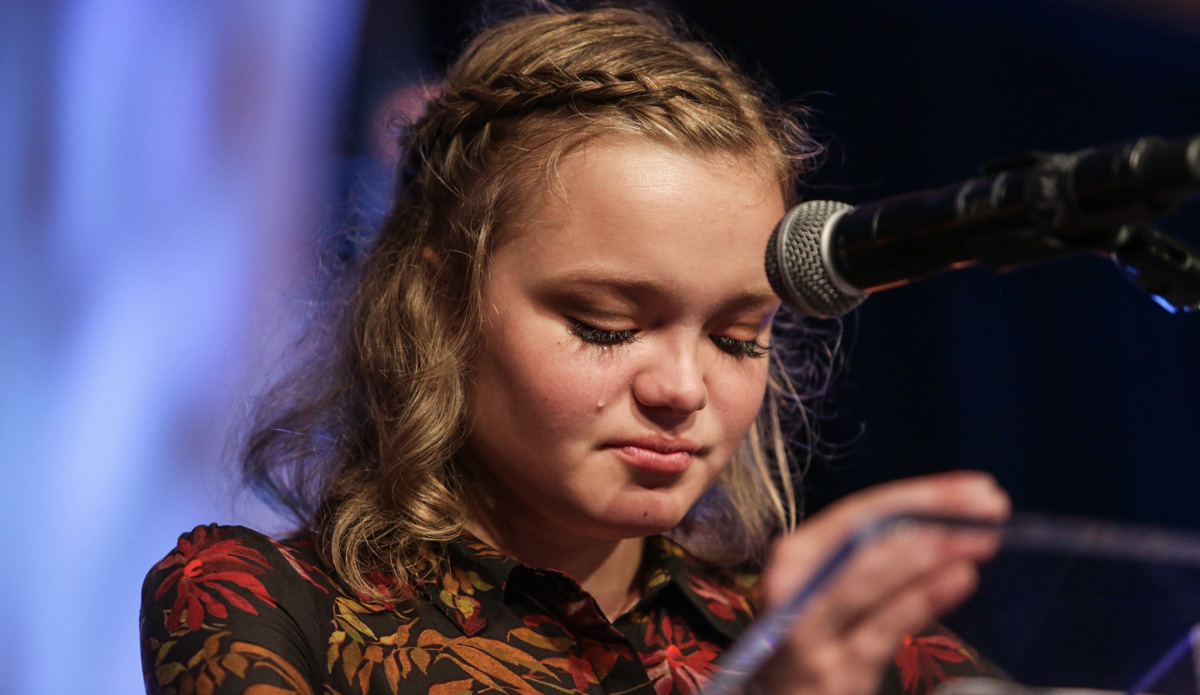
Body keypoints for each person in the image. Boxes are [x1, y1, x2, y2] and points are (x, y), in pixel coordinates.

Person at [140, 5, 1010, 695]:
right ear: (439, 302)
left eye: (738, 337)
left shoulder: (825, 631)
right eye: (606, 325)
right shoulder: (261, 603)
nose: (681, 387)